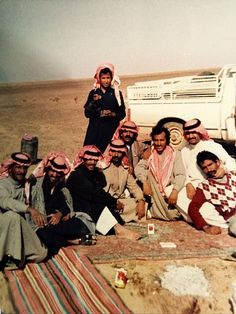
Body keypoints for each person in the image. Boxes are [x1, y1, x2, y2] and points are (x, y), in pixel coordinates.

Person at [67, 145, 141, 240]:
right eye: (89, 160)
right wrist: (114, 201)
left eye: (95, 160)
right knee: (99, 204)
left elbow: (100, 187)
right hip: (79, 207)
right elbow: (95, 193)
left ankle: (116, 225)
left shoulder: (93, 172)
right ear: (83, 159)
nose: (93, 162)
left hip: (91, 202)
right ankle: (118, 229)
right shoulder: (78, 175)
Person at [29, 152, 96, 257]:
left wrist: (60, 214)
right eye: (53, 171)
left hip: (57, 223)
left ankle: (61, 239)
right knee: (42, 233)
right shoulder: (36, 185)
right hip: (41, 223)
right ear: (47, 169)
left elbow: (66, 204)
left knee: (80, 225)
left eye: (58, 173)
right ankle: (71, 241)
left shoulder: (61, 186)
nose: (55, 175)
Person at [178, 118, 236, 221]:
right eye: (187, 133)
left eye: (193, 133)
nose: (190, 136)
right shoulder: (184, 151)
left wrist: (224, 169)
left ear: (200, 132)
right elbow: (183, 171)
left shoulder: (213, 146)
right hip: (194, 185)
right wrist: (188, 184)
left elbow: (231, 163)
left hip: (215, 183)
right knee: (173, 193)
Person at [0, 152, 47, 270]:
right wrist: (30, 209)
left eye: (25, 168)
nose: (21, 171)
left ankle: (14, 253)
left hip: (19, 228)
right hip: (2, 228)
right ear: (10, 168)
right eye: (18, 167)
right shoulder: (3, 184)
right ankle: (10, 258)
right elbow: (6, 201)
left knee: (41, 254)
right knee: (12, 215)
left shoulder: (29, 186)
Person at [135, 126, 186, 221]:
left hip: (168, 192)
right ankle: (155, 209)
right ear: (153, 140)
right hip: (153, 191)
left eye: (161, 140)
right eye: (156, 140)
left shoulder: (175, 153)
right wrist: (145, 183)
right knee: (147, 173)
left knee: (174, 214)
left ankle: (153, 210)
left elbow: (180, 174)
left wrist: (175, 191)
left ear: (167, 140)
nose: (158, 143)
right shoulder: (150, 152)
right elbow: (139, 168)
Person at [188, 151, 236, 235]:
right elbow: (192, 208)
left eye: (210, 165)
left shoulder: (232, 175)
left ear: (218, 162)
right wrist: (205, 227)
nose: (209, 169)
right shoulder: (205, 186)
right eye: (204, 168)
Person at [83, 63, 126, 152]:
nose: (106, 81)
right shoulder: (94, 93)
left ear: (112, 78)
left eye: (108, 78)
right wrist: (96, 106)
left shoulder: (117, 94)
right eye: (103, 78)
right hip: (94, 131)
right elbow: (87, 113)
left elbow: (122, 113)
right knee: (89, 156)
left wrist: (112, 113)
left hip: (110, 132)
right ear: (99, 78)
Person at [103, 139, 145, 222]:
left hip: (121, 201)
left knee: (140, 203)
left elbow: (134, 187)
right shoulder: (103, 167)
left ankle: (116, 217)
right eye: (113, 151)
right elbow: (103, 191)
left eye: (119, 152)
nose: (116, 155)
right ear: (110, 151)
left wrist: (141, 201)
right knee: (104, 207)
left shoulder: (125, 168)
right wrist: (115, 202)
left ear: (123, 153)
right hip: (107, 200)